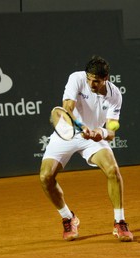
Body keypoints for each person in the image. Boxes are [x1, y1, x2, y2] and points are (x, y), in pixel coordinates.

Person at [39, 55, 133, 242]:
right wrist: (82, 126)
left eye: (96, 81)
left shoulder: (115, 95)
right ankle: (68, 218)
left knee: (113, 170)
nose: (91, 84)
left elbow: (113, 126)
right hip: (66, 133)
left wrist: (102, 133)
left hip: (92, 138)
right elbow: (67, 106)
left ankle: (119, 222)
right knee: (45, 177)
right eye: (89, 79)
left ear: (106, 78)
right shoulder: (77, 78)